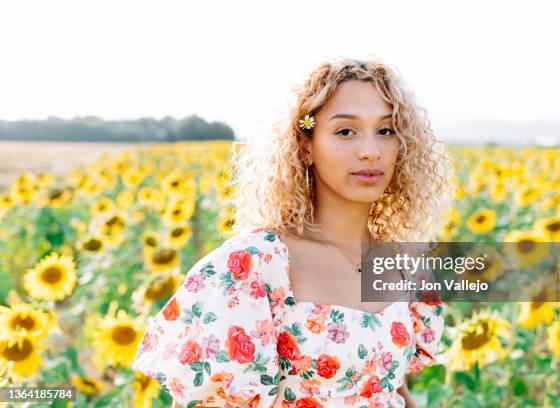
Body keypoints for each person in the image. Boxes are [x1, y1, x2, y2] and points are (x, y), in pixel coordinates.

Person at [132, 57, 455, 407]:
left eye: (386, 130)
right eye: (345, 131)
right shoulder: (253, 266)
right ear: (305, 146)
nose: (370, 151)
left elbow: (393, 391)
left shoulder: (404, 263)